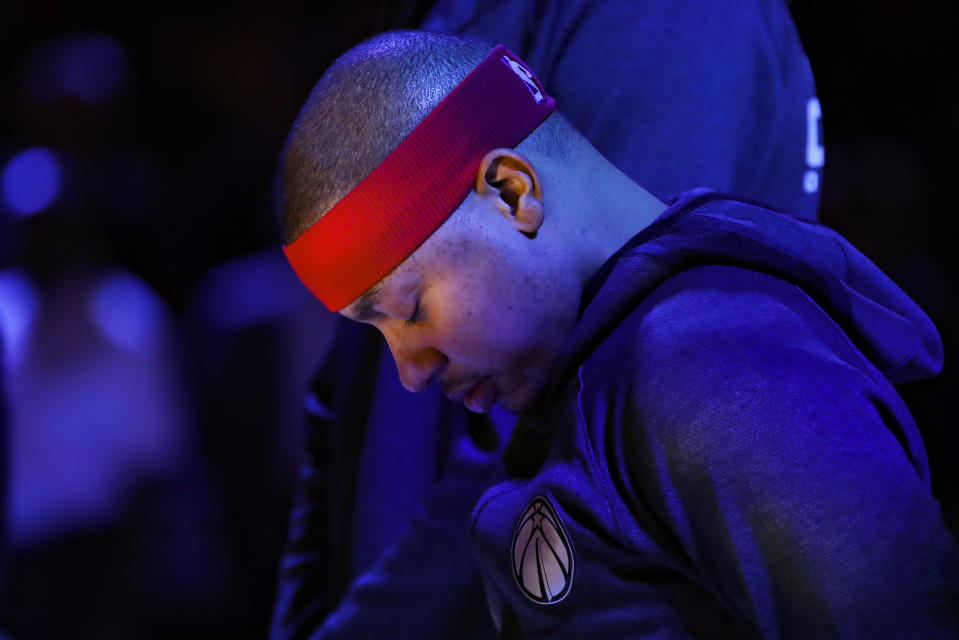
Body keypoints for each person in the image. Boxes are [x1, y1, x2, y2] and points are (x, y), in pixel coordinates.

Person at [276, 30, 959, 638]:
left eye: (410, 307)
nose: (410, 370)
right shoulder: (596, 383)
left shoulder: (719, 372)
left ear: (514, 193)